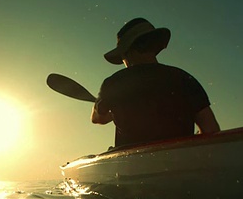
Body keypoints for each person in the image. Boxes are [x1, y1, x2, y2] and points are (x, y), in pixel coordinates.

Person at [91, 18, 220, 147]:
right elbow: (211, 129)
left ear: (127, 52)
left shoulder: (113, 83)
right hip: (182, 160)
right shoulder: (184, 78)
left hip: (133, 164)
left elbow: (97, 118)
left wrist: (104, 110)